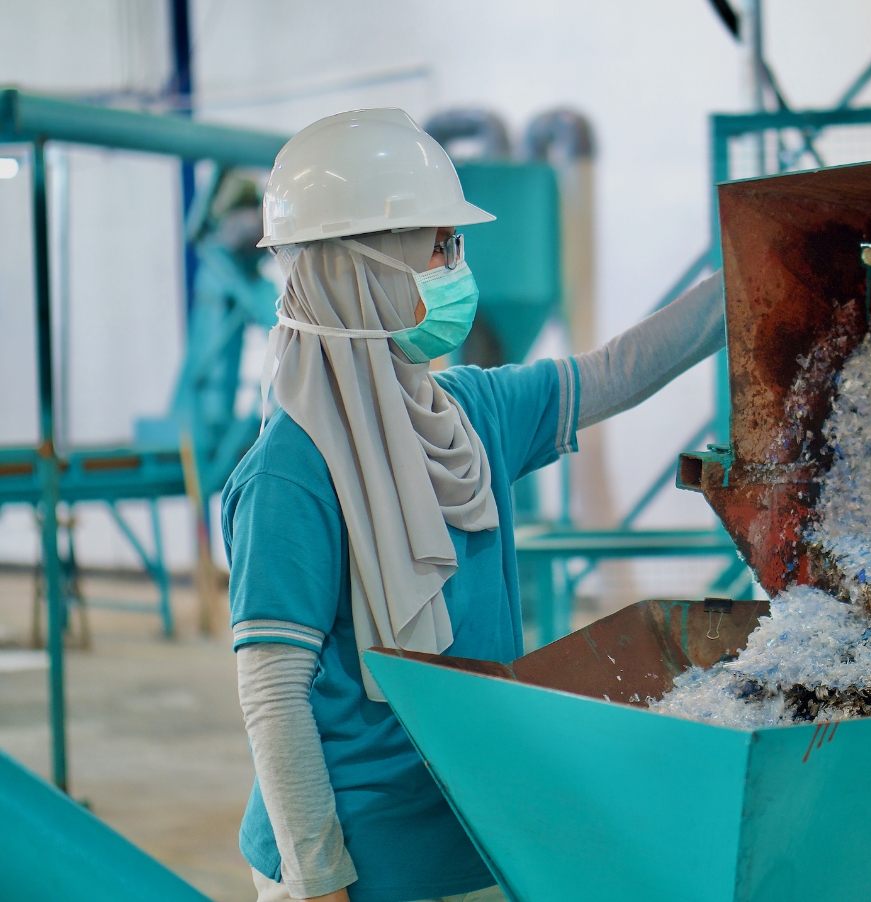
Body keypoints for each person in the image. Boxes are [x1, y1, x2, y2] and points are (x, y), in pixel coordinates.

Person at [226, 108, 725, 902]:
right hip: (357, 858)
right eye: (437, 246)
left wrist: (746, 279)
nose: (454, 268)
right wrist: (318, 880)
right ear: (367, 265)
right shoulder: (289, 473)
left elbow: (618, 370)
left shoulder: (466, 413)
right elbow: (273, 691)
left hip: (470, 828)